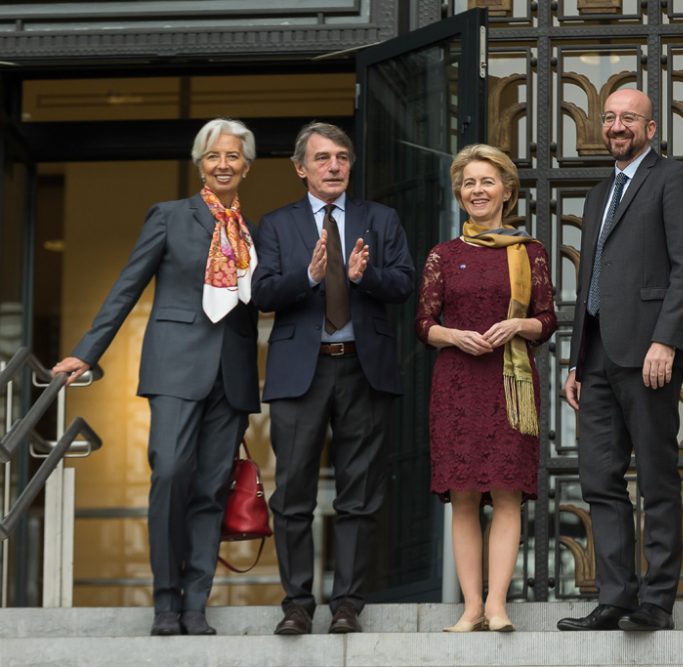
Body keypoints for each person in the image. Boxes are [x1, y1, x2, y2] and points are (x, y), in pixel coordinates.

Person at [52, 118, 260, 636]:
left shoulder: (253, 233)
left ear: (247, 167)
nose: (223, 164)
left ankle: (195, 604)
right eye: (214, 156)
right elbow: (128, 286)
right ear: (200, 164)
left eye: (233, 156)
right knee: (169, 473)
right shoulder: (170, 217)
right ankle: (165, 600)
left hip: (231, 374)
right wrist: (86, 352)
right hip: (174, 366)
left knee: (212, 491)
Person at [251, 122, 414, 635]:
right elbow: (261, 294)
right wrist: (309, 278)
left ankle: (347, 604)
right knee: (293, 493)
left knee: (359, 495)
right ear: (301, 168)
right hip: (302, 371)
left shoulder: (379, 219)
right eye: (322, 158)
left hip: (363, 369)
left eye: (342, 157)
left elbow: (404, 283)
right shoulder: (276, 225)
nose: (334, 166)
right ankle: (297, 604)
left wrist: (366, 276)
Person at [557, 89, 683, 632]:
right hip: (596, 356)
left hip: (650, 355)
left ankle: (657, 602)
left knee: (657, 477)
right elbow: (592, 278)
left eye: (629, 119)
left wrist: (667, 340)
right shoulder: (599, 193)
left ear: (651, 128)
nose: (617, 126)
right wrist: (575, 362)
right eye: (610, 118)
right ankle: (616, 597)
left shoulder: (674, 179)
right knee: (599, 478)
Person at [415, 144, 556, 633]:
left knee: (508, 494)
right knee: (465, 496)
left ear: (507, 192)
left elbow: (548, 319)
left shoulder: (529, 252)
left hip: (509, 383)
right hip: (457, 383)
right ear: (460, 193)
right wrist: (453, 335)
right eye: (469, 183)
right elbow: (424, 322)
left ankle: (498, 605)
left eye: (487, 182)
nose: (478, 190)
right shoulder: (443, 255)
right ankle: (471, 607)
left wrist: (517, 327)